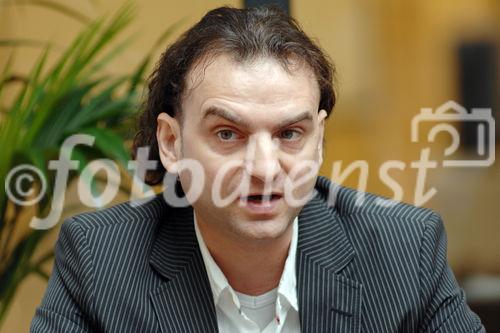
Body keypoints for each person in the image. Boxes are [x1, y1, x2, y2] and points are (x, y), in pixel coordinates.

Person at [31, 6, 484, 333]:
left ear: (319, 139)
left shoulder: (403, 249)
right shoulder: (100, 259)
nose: (266, 169)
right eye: (228, 134)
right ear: (171, 143)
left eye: (290, 134)